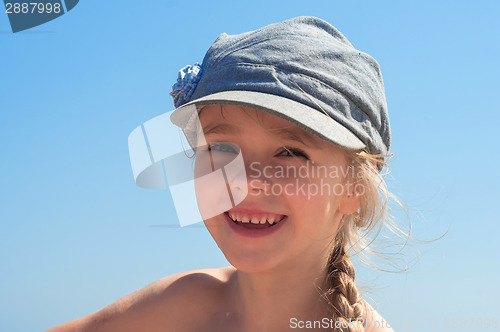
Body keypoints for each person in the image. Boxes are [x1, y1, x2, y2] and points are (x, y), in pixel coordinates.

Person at [47, 16, 399, 331]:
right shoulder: (179, 308)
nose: (245, 180)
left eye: (290, 153)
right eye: (220, 148)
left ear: (355, 188)